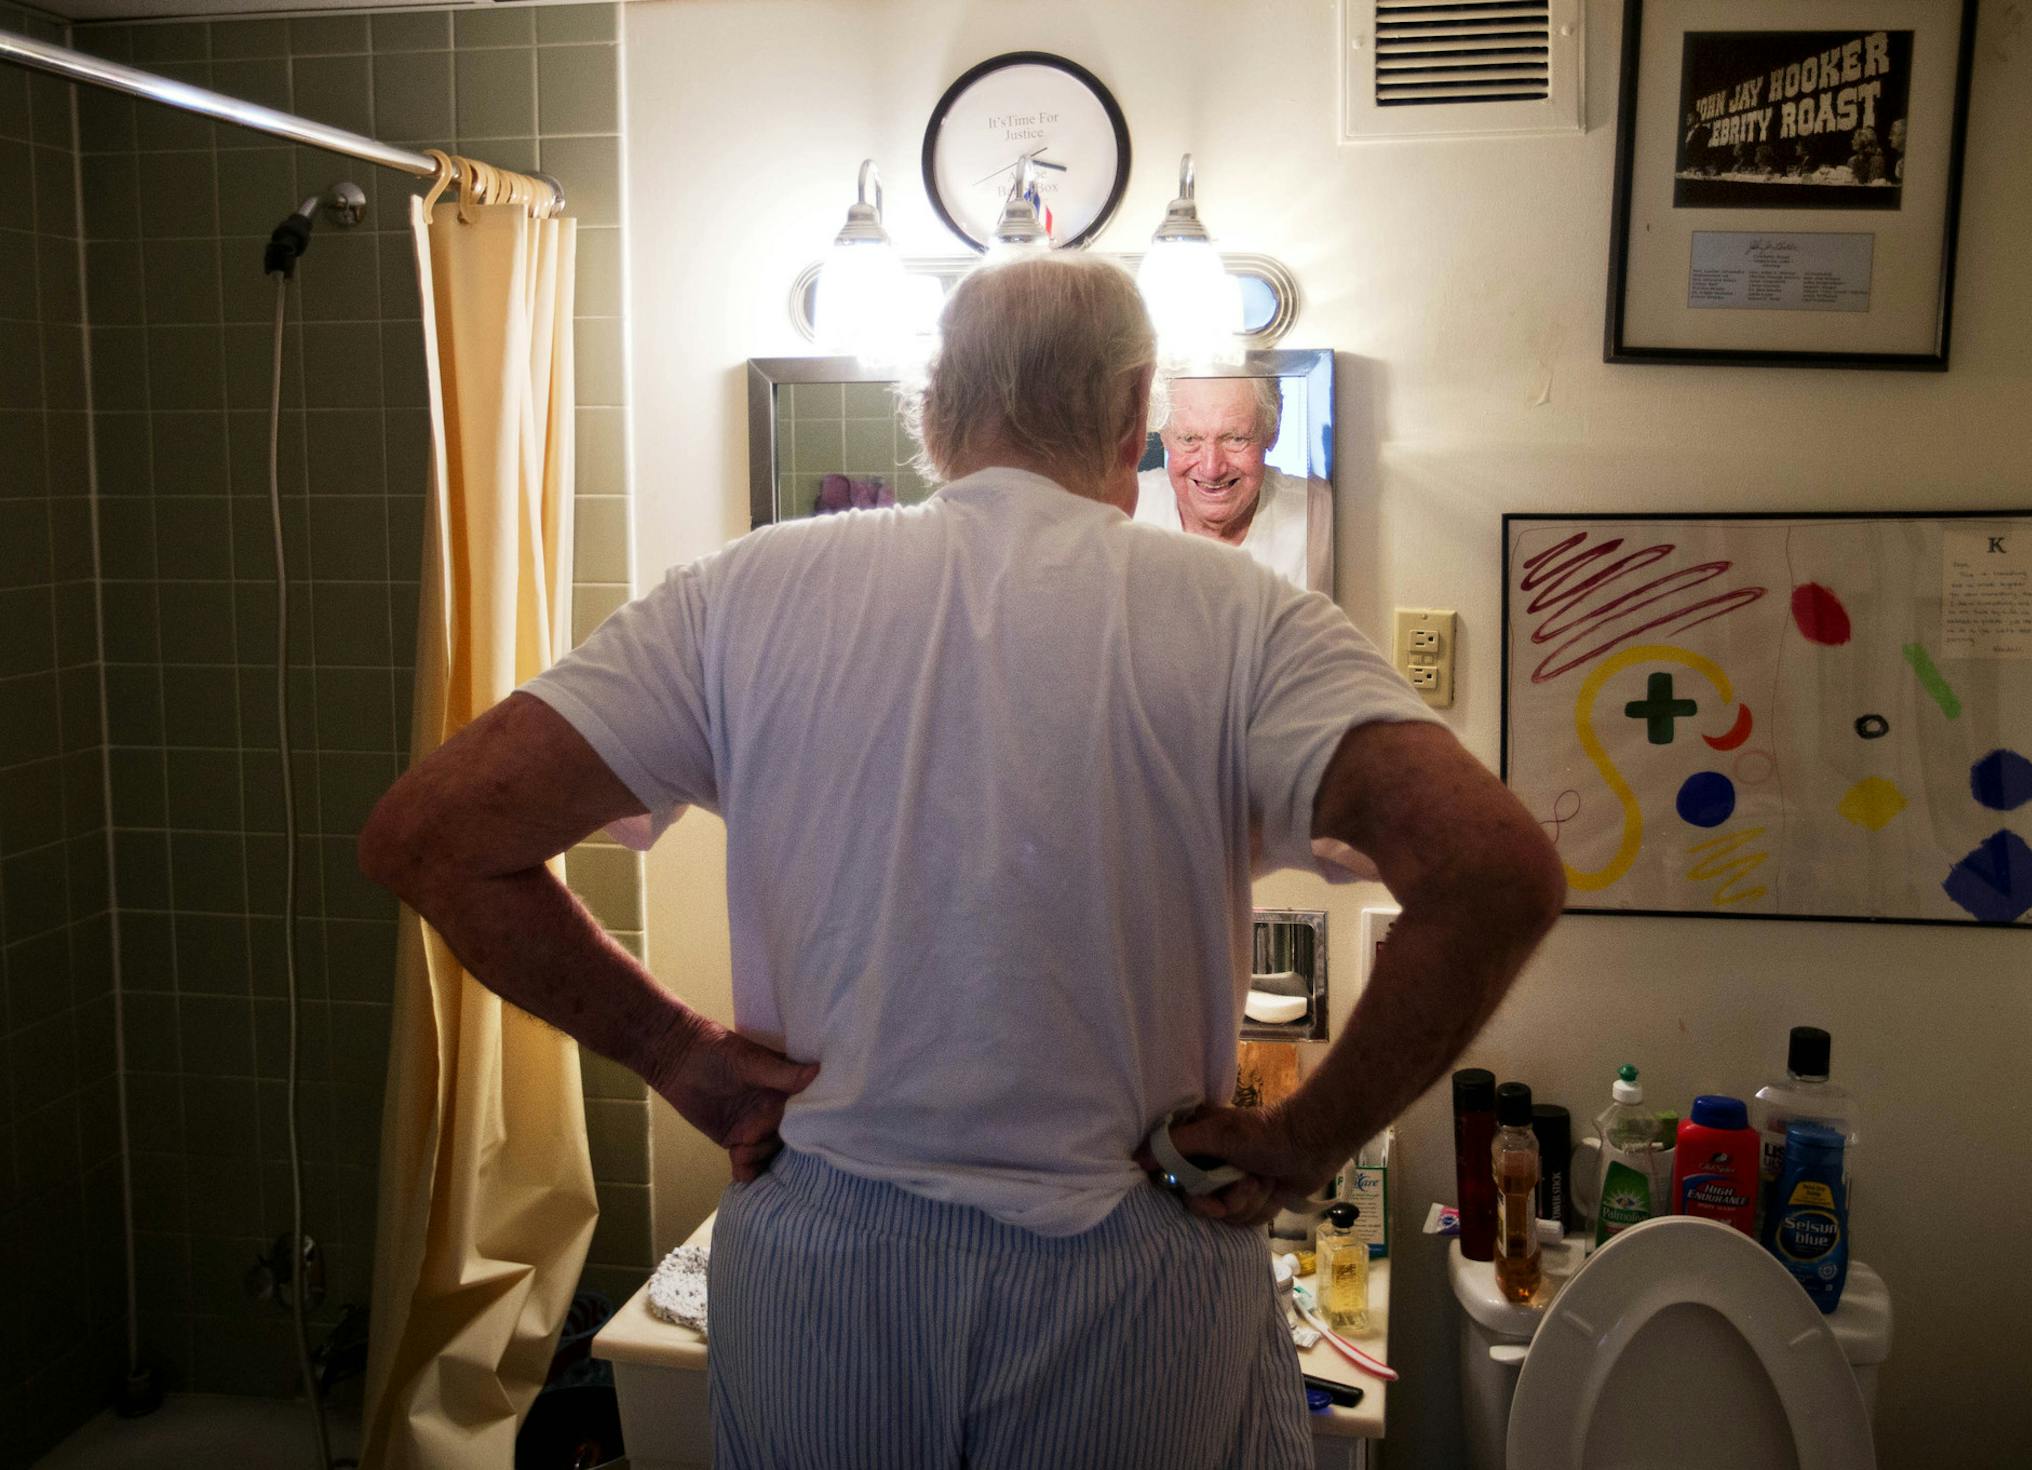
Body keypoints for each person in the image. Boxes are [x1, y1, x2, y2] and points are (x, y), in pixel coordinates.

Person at [358, 253, 1563, 1470]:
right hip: (1121, 1275)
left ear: (931, 406)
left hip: (825, 1267)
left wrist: (677, 1053)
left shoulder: (744, 593)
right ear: (1138, 408)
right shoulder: (1242, 616)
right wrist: (1305, 1141)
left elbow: (431, 838)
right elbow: (1495, 874)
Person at [1133, 375, 1334, 592]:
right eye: (1189, 439)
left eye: (1236, 438)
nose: (1211, 469)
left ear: (1272, 430)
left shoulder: (1319, 512)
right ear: (1164, 437)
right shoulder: (1124, 510)